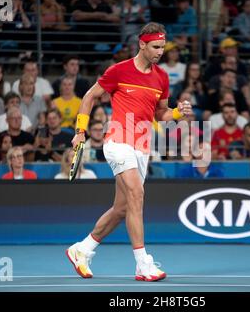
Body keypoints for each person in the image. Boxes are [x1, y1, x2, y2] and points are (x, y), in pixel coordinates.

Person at [66, 22, 192, 282]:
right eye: (156, 47)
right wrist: (80, 131)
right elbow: (89, 97)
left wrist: (178, 112)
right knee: (137, 193)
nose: (160, 52)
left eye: (163, 47)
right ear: (142, 44)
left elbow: (161, 114)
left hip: (142, 147)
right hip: (118, 142)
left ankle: (82, 249)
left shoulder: (162, 77)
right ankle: (143, 264)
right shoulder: (118, 71)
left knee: (122, 208)